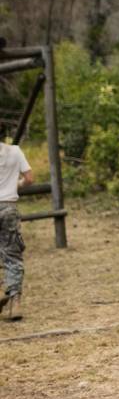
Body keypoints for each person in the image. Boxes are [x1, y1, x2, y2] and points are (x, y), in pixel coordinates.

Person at [0, 138, 32, 322]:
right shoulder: (14, 151)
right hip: (8, 208)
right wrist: (15, 185)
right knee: (12, 256)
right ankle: (15, 303)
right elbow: (29, 178)